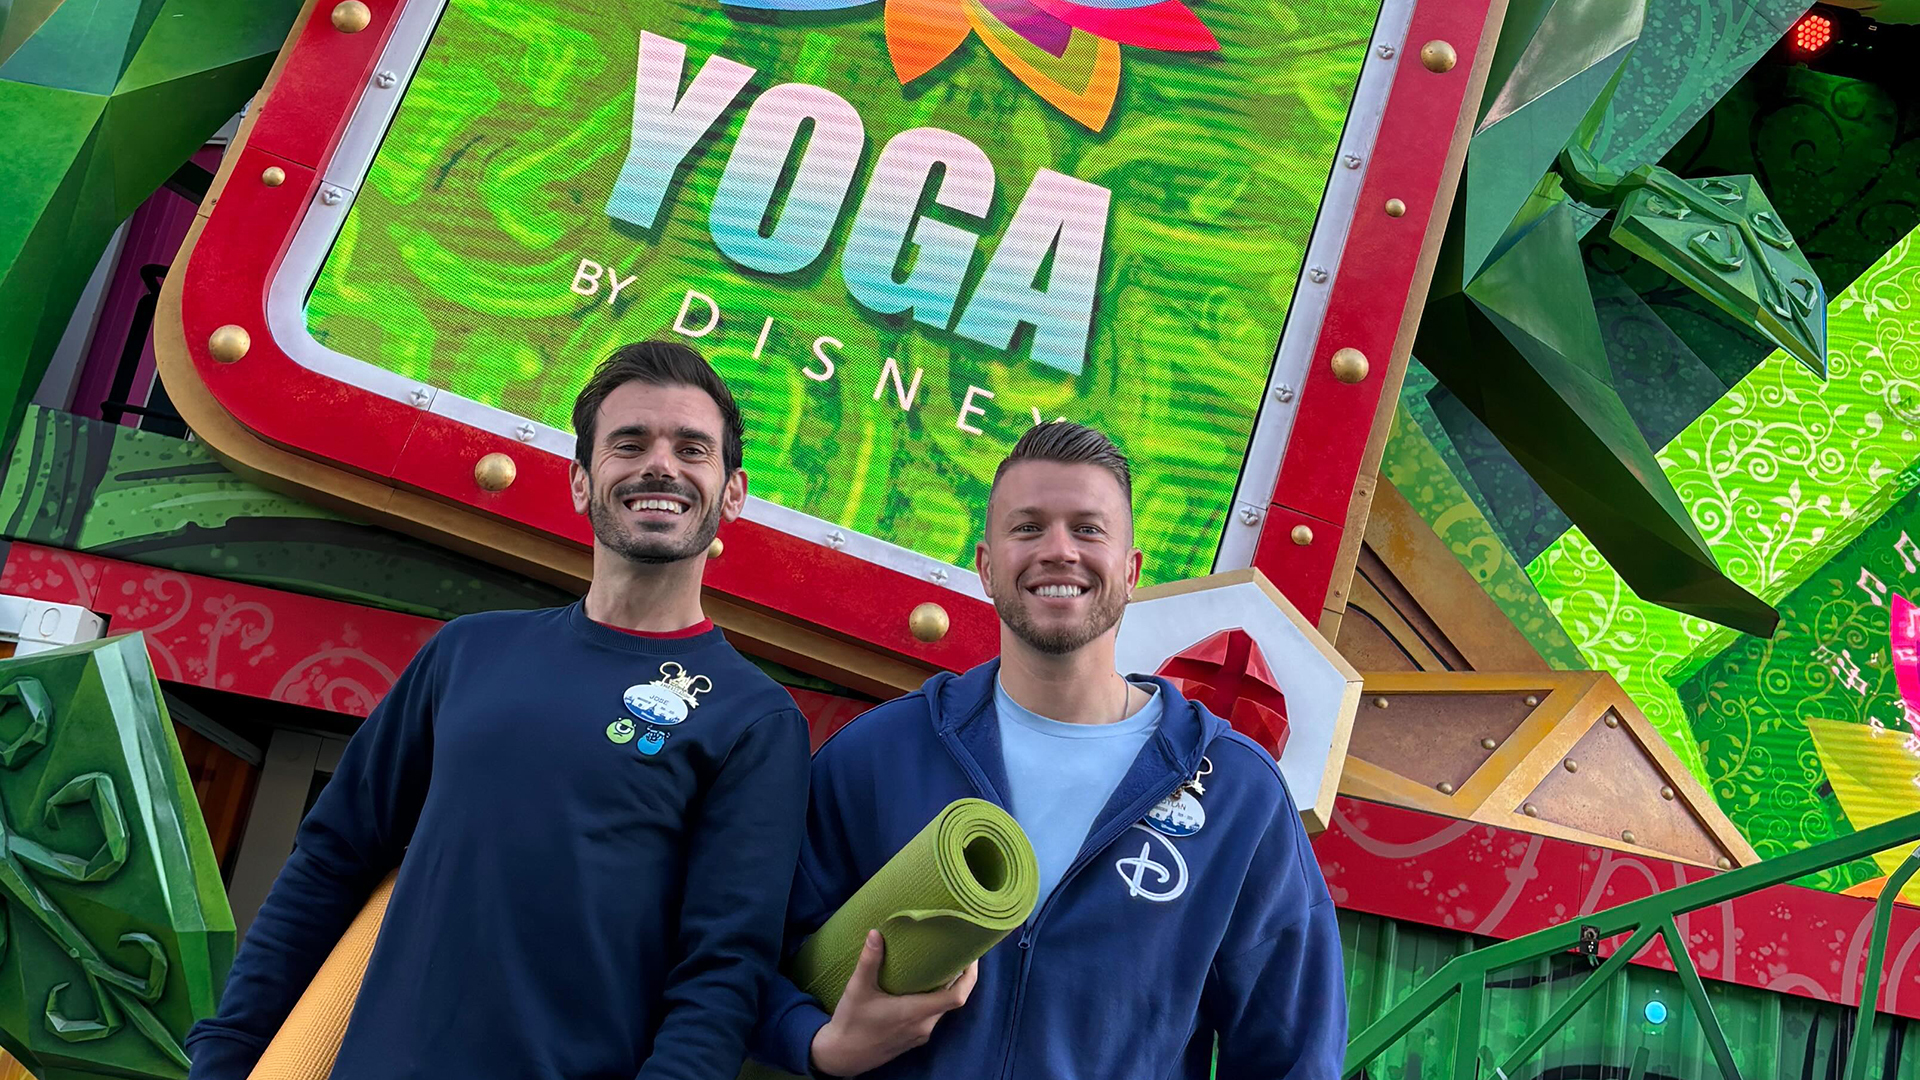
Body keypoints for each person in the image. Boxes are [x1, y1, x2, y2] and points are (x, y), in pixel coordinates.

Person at [187, 343, 812, 1080]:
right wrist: (225, 1056)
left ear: (731, 493)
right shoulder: (467, 655)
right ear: (582, 483)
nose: (661, 467)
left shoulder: (755, 720)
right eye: (630, 444)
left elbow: (720, 976)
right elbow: (329, 864)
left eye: (692, 448)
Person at [750, 421, 1346, 1079]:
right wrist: (818, 1044)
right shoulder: (878, 753)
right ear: (984, 565)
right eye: (1028, 528)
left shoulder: (1240, 795)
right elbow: (749, 958)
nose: (1058, 551)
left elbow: (1294, 1056)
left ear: (1131, 569)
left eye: (1088, 529)